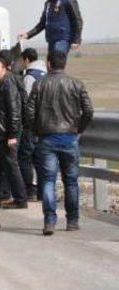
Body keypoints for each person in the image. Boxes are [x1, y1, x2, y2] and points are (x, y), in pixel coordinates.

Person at [27, 50, 93, 235]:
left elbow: (29, 112)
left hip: (46, 138)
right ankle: (72, 221)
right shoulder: (76, 84)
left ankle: (49, 221)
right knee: (71, 181)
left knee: (48, 181)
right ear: (65, 63)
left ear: (48, 64)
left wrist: (36, 131)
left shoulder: (40, 84)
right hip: (69, 138)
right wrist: (79, 129)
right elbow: (88, 110)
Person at [0, 58, 27, 209]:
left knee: (11, 166)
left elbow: (14, 111)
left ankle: (21, 199)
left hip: (7, 134)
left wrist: (12, 135)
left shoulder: (8, 85)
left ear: (4, 70)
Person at [18, 0, 83, 54]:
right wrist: (27, 35)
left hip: (62, 40)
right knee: (50, 65)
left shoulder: (68, 0)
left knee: (57, 63)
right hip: (51, 40)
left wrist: (76, 40)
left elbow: (77, 20)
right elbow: (42, 24)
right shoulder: (48, 3)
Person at [19, 48, 47, 200]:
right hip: (45, 124)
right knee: (41, 158)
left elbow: (27, 103)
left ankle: (29, 189)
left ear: (27, 60)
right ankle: (43, 191)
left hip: (32, 125)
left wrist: (25, 124)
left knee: (25, 157)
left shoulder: (29, 77)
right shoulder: (45, 74)